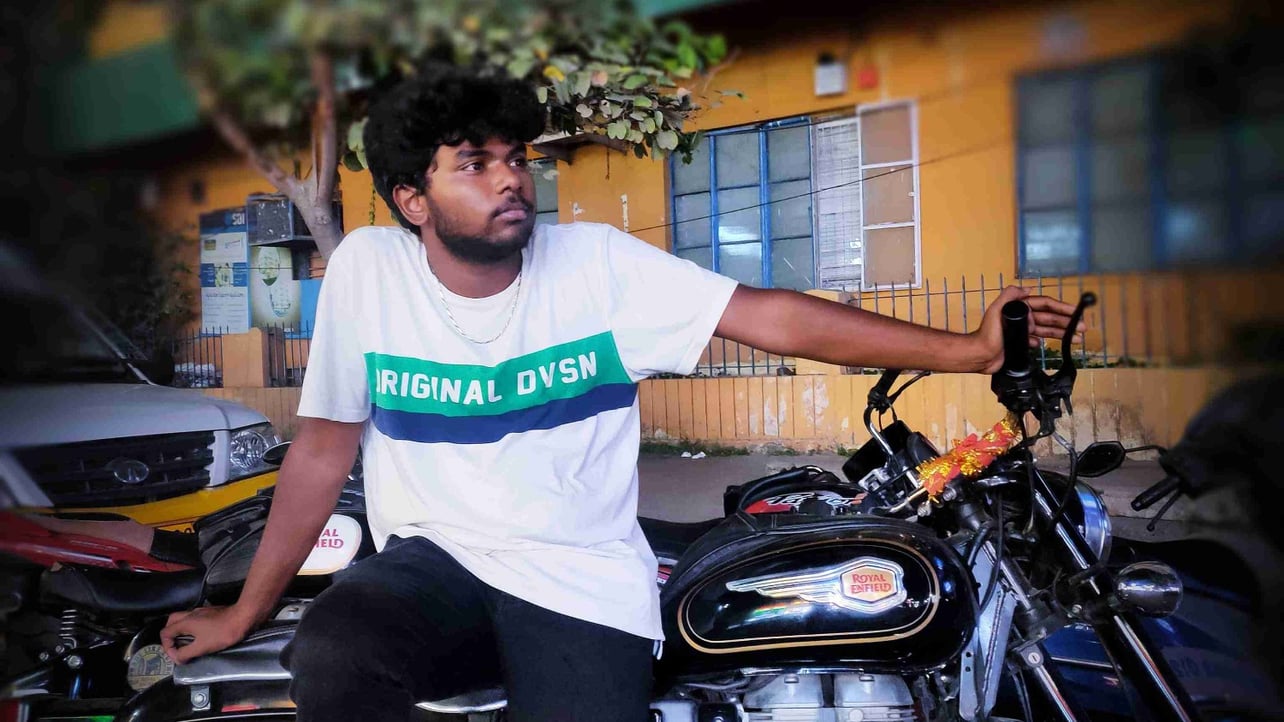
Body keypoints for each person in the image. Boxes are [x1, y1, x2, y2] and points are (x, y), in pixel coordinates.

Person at [160, 62, 1081, 722]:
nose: (511, 177)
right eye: (474, 163)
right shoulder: (369, 271)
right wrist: (245, 612)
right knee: (333, 652)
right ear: (412, 201)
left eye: (516, 156)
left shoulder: (596, 266)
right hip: (436, 562)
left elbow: (771, 317)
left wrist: (970, 352)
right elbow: (323, 450)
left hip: (582, 579)